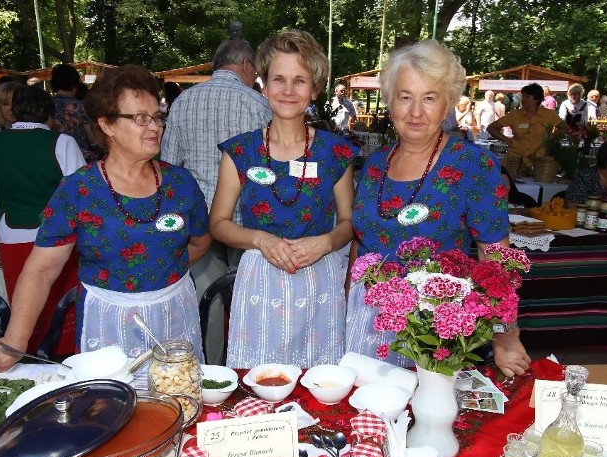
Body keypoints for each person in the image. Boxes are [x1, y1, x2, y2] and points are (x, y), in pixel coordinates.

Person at [0, 65, 211, 373]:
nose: (155, 126)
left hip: (173, 313)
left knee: (177, 401)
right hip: (108, 320)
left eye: (157, 116)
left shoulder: (180, 183)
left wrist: (159, 274)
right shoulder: (79, 190)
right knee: (112, 409)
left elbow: (201, 241)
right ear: (108, 125)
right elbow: (40, 272)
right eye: (140, 118)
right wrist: (14, 342)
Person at [345, 40, 530, 379]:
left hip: (437, 335)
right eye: (405, 97)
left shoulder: (473, 165)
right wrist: (346, 310)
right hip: (367, 325)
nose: (416, 112)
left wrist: (506, 336)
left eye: (429, 98)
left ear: (447, 105)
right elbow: (361, 245)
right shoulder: (373, 166)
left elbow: (496, 259)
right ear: (389, 102)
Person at [210, 29, 359, 368]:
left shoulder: (335, 152)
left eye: (300, 80)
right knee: (259, 376)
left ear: (315, 88)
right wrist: (259, 239)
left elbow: (350, 222)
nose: (288, 91)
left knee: (319, 379)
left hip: (319, 276)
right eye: (278, 79)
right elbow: (217, 223)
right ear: (263, 83)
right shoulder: (240, 150)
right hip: (260, 277)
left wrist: (326, 242)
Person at [161, 37, 271, 363]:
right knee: (249, 297)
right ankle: (246, 366)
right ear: (247, 65)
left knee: (206, 299)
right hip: (245, 222)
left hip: (198, 222)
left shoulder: (182, 103)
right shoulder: (257, 104)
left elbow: (168, 167)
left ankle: (210, 370)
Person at [0, 85, 85, 354]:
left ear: (14, 113)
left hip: (11, 233)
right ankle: (66, 352)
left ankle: (28, 349)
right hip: (58, 239)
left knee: (25, 298)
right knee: (61, 301)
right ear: (48, 113)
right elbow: (83, 193)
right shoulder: (62, 142)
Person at [486, 82, 569, 168]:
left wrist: (551, 137)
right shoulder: (514, 114)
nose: (523, 99)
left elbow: (565, 128)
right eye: (523, 96)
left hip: (538, 162)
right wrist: (507, 141)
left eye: (527, 97)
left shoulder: (548, 115)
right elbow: (491, 128)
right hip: (514, 161)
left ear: (537, 99)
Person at [51, 63, 99, 162]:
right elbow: (92, 139)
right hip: (79, 158)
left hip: (53, 157)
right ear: (75, 83)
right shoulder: (82, 106)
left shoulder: (46, 104)